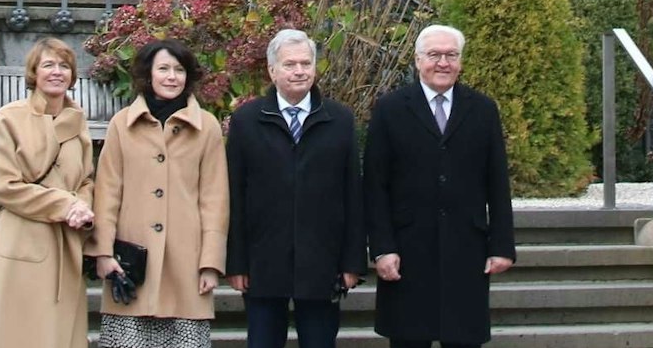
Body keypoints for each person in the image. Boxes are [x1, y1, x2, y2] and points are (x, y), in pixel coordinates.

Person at [364, 24, 516, 348]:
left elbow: (497, 182)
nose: (443, 63)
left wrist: (502, 244)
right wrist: (381, 247)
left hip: (466, 250)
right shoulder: (389, 109)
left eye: (451, 55)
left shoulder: (483, 109)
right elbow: (374, 185)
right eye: (434, 55)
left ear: (460, 61)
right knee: (409, 339)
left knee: (463, 339)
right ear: (418, 60)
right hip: (407, 251)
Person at [224, 29, 368, 348]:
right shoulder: (247, 121)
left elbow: (353, 196)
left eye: (306, 63)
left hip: (322, 263)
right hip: (263, 263)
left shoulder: (340, 120)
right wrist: (236, 262)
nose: (300, 71)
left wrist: (352, 263)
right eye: (290, 64)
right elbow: (234, 194)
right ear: (272, 70)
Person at [90, 38, 230, 348]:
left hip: (187, 263)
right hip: (130, 263)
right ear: (148, 74)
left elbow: (215, 199)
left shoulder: (206, 127)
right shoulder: (121, 125)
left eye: (179, 70)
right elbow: (107, 192)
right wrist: (102, 252)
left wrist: (210, 262)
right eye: (163, 68)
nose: (171, 77)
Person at [0, 36, 96, 348]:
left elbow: (85, 179)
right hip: (22, 236)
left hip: (67, 240)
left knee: (60, 332)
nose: (57, 72)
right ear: (34, 72)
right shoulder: (11, 116)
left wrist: (83, 206)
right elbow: (6, 186)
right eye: (48, 65)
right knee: (19, 330)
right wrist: (65, 204)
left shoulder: (78, 120)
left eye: (64, 65)